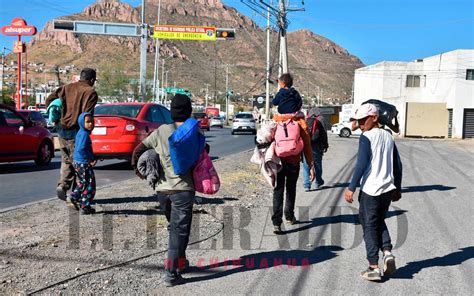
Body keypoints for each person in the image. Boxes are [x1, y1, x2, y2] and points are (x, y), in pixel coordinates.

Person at [132, 94, 202, 287]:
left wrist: (142, 173)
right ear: (188, 111)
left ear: (171, 111)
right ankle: (172, 273)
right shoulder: (195, 131)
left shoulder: (161, 131)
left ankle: (181, 262)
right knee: (178, 230)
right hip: (183, 189)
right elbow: (202, 155)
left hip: (162, 190)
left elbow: (139, 150)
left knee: (176, 228)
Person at [344, 103, 403, 281]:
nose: (361, 125)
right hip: (387, 189)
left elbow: (361, 164)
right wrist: (397, 188)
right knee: (379, 220)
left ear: (374, 118)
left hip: (371, 190)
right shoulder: (388, 136)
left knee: (369, 226)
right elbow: (398, 165)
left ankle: (374, 267)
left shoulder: (367, 137)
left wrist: (351, 187)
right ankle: (387, 252)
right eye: (358, 121)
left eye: (363, 120)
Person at [46, 68, 98, 202]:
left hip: (61, 129)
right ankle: (77, 195)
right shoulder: (90, 92)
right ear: (92, 80)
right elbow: (87, 115)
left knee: (66, 159)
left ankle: (63, 186)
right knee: (79, 162)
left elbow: (49, 100)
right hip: (77, 131)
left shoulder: (66, 88)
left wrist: (57, 119)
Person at [68, 112, 97, 215]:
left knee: (83, 182)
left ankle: (74, 197)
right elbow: (81, 149)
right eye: (88, 122)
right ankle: (85, 206)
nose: (91, 124)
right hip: (83, 163)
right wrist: (89, 160)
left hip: (78, 162)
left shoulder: (81, 132)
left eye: (92, 122)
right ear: (81, 122)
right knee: (89, 185)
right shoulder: (84, 135)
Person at [303, 107, 328, 191]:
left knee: (306, 164)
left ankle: (307, 184)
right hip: (317, 145)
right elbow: (324, 133)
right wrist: (325, 144)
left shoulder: (306, 119)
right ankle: (317, 182)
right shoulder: (321, 119)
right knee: (317, 164)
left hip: (306, 145)